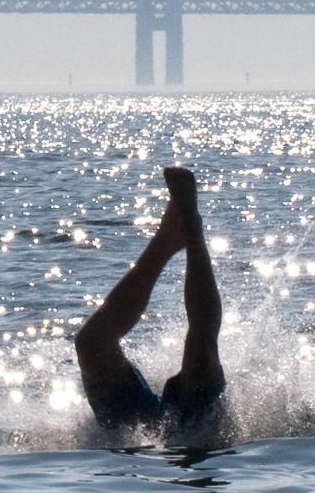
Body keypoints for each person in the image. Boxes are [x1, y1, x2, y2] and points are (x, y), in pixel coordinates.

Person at [75, 166, 226, 435]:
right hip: (161, 430)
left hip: (182, 432)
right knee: (92, 343)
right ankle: (172, 237)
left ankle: (188, 233)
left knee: (200, 352)